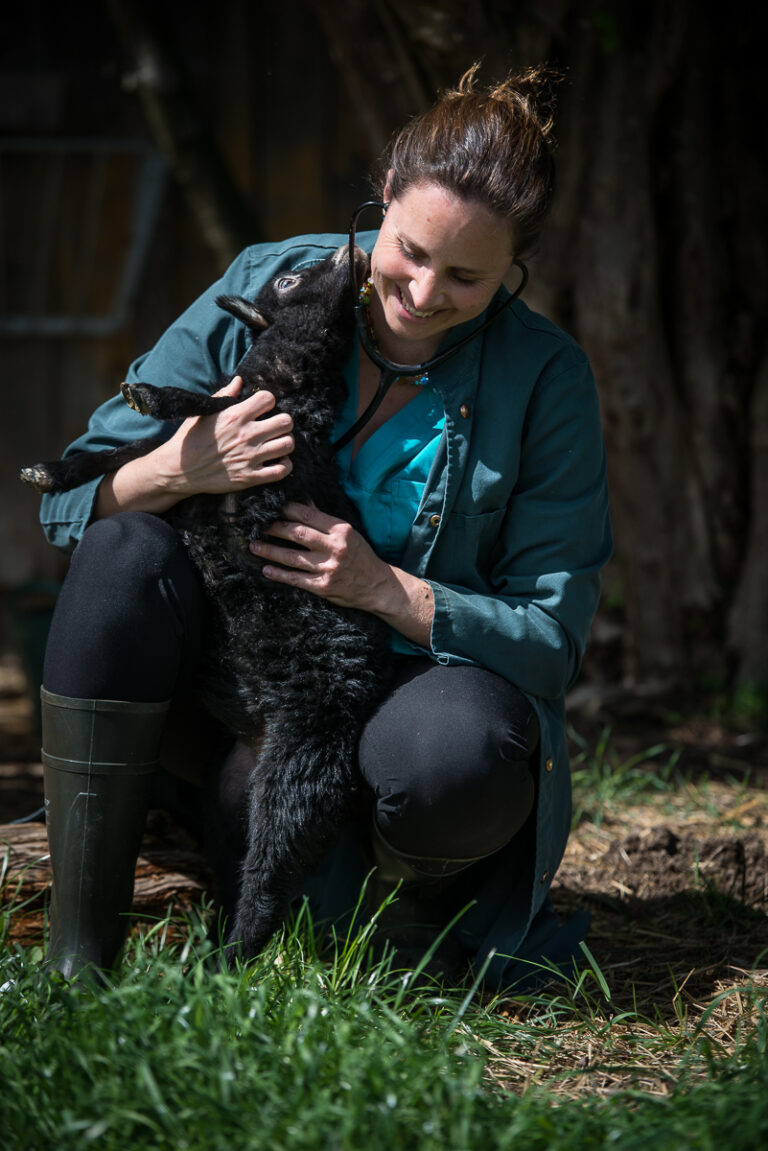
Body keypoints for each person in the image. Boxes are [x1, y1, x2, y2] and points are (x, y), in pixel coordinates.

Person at [37, 64, 612, 987]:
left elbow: (550, 639)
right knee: (121, 548)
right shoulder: (268, 281)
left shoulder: (546, 378)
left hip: (395, 703)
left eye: (467, 277)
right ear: (383, 197)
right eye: (411, 251)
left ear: (516, 267)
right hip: (226, 681)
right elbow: (69, 500)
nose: (423, 295)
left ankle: (384, 919)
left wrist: (386, 590)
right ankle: (78, 952)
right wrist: (180, 465)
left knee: (463, 748)